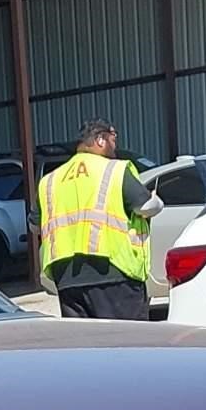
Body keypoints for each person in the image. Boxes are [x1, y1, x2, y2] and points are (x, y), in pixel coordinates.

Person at [35, 119, 159, 321]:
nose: (115, 145)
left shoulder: (50, 180)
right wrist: (157, 201)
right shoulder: (113, 170)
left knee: (87, 345)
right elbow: (146, 207)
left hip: (66, 278)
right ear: (100, 139)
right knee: (129, 343)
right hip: (112, 272)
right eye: (113, 138)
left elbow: (35, 225)